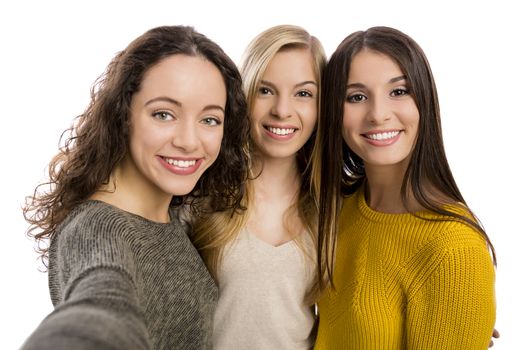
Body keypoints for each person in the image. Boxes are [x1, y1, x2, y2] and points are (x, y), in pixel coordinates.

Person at [21, 25, 249, 350]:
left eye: (209, 119)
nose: (188, 141)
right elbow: (101, 306)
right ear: (123, 114)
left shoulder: (172, 214)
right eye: (164, 114)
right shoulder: (97, 230)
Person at [314, 26, 496, 349]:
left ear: (424, 100)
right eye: (356, 97)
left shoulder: (454, 252)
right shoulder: (337, 209)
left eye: (398, 92)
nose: (378, 115)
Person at [189, 25, 326, 349]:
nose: (282, 110)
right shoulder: (200, 196)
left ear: (322, 107)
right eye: (265, 90)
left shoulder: (332, 209)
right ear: (244, 96)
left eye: (303, 93)